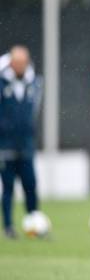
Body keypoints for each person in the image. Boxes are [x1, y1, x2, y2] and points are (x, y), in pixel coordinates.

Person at [0, 45, 43, 239]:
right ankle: (8, 226)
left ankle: (34, 224)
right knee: (7, 187)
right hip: (5, 145)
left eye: (22, 62)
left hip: (26, 144)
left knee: (31, 185)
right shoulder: (2, 82)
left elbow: (33, 111)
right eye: (16, 62)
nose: (19, 66)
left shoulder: (34, 82)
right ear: (10, 63)